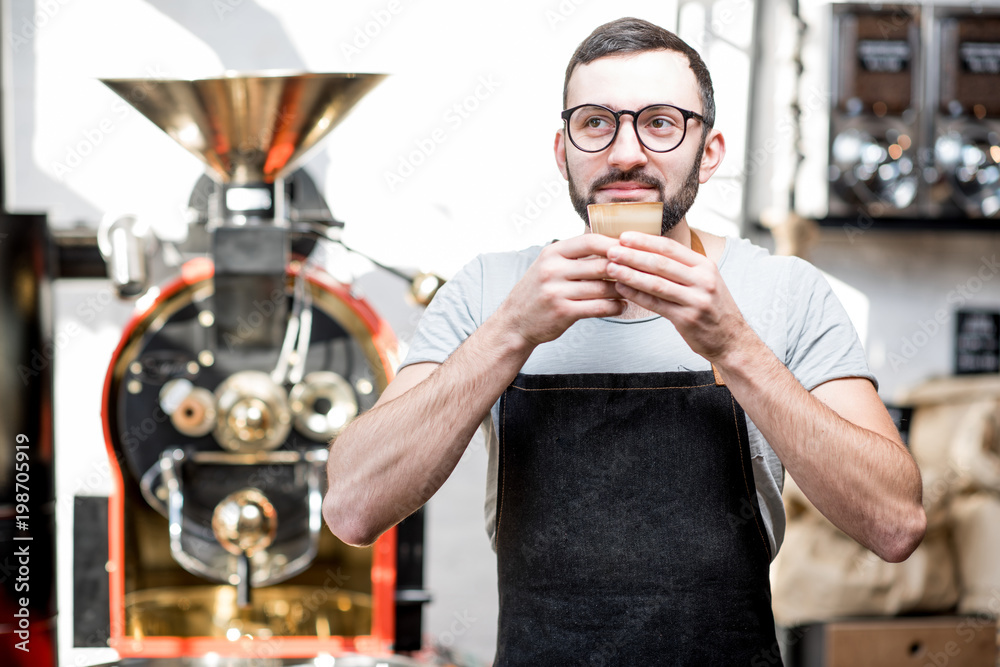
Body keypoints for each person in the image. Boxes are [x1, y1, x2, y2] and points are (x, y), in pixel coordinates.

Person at [324, 17, 926, 664]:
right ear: (563, 150)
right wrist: (510, 331)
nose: (625, 153)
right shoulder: (490, 289)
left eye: (661, 122)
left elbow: (894, 524)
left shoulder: (783, 290)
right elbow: (353, 508)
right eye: (596, 122)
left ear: (711, 150)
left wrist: (737, 347)